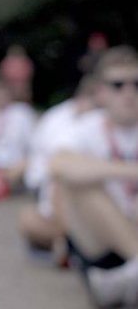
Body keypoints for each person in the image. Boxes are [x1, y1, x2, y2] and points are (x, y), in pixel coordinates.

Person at [49, 46, 138, 307]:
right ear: (100, 92)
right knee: (78, 184)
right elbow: (58, 165)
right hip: (100, 245)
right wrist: (129, 170)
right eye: (118, 85)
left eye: (137, 84)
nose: (129, 92)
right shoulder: (86, 128)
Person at [17, 75, 98, 256]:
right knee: (29, 217)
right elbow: (44, 167)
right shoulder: (59, 120)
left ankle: (67, 244)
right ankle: (67, 242)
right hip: (64, 205)